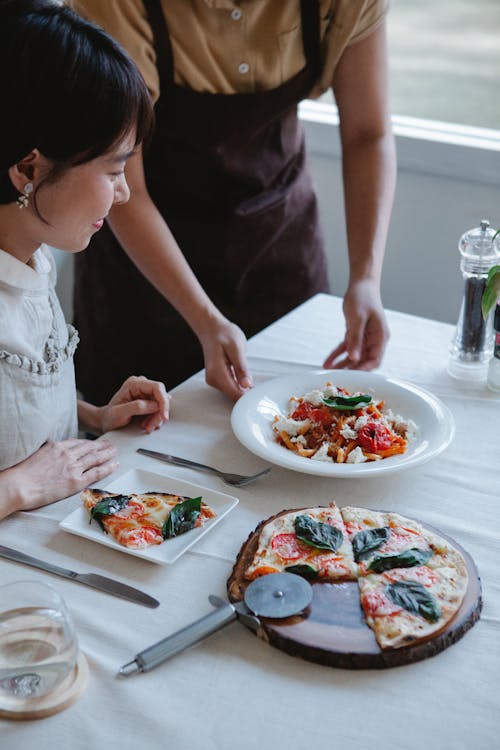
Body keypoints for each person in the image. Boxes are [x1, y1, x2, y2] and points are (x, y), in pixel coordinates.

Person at [69, 0, 396, 406]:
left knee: (300, 424)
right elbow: (122, 188)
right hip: (146, 265)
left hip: (281, 244)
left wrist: (366, 278)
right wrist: (205, 320)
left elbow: (368, 133)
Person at [0, 0, 171, 521]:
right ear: (29, 167)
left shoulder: (32, 256)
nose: (123, 194)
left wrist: (91, 417)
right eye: (114, 169)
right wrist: (19, 486)